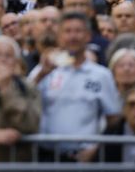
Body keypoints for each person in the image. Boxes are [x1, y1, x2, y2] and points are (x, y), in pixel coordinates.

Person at [37, 12, 120, 162]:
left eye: (78, 31)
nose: (73, 36)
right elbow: (25, 101)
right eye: (67, 31)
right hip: (46, 156)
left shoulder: (101, 75)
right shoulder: (44, 70)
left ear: (88, 36)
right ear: (59, 36)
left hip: (83, 158)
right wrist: (41, 75)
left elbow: (113, 119)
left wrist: (96, 147)